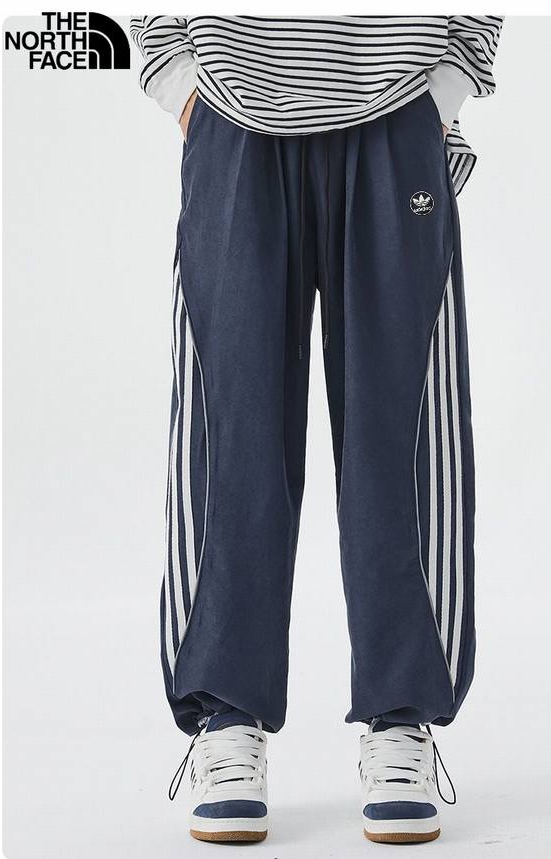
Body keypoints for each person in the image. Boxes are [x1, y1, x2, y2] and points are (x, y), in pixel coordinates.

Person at [130, 14, 503, 844]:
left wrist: (444, 87)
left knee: (400, 432)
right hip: (231, 107)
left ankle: (402, 715)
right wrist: (179, 82)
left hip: (399, 104)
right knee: (232, 428)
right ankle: (226, 715)